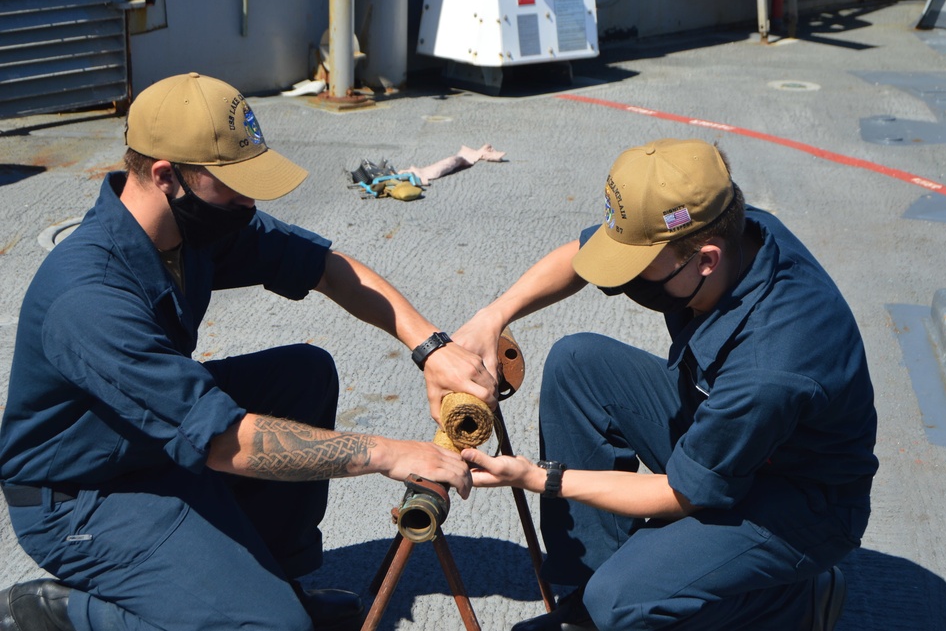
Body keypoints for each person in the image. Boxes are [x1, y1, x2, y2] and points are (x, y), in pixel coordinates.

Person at [0, 73, 497, 631]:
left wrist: (430, 347)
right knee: (271, 629)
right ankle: (67, 614)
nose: (249, 200)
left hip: (149, 441)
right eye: (234, 185)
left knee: (303, 375)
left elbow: (326, 269)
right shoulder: (88, 297)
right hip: (85, 494)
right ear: (167, 176)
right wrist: (388, 453)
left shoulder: (191, 230)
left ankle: (275, 580)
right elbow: (223, 441)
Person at [453, 138, 879, 630]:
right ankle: (588, 600)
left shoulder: (772, 363)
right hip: (733, 429)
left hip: (800, 501)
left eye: (638, 267)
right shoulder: (719, 222)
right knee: (579, 362)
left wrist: (537, 477)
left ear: (706, 259)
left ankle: (791, 604)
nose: (626, 280)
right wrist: (493, 315)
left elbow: (684, 494)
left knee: (622, 601)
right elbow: (579, 256)